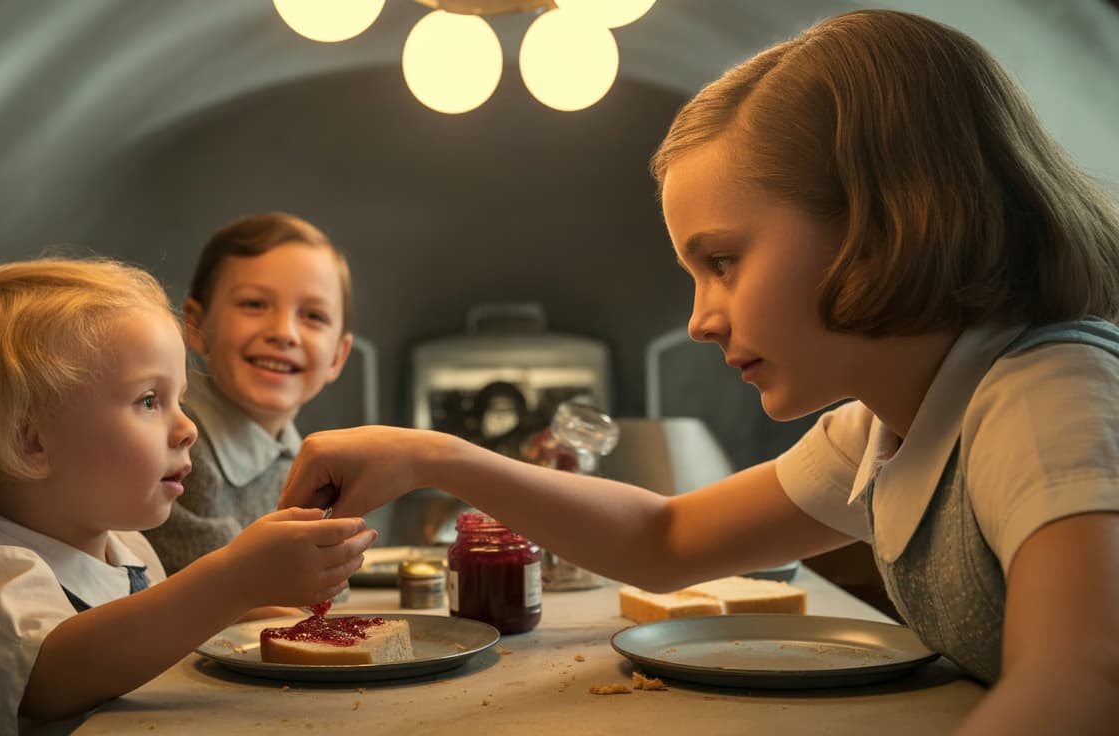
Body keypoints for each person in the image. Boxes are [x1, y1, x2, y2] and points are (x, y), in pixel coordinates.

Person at [278, 10, 1119, 735]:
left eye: (722, 260)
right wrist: (431, 455)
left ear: (883, 225)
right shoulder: (885, 428)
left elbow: (1083, 685)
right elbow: (665, 541)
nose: (699, 318)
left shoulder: (1046, 397)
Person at [0, 257, 374, 734]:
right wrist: (232, 581)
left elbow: (145, 637)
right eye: (148, 401)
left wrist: (245, 603)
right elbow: (56, 675)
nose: (187, 429)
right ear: (30, 440)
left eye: (179, 400)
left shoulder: (128, 549)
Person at [143, 213, 354, 575]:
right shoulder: (180, 444)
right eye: (255, 305)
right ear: (195, 325)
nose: (284, 332)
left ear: (337, 357)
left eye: (313, 316)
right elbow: (224, 587)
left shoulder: (299, 454)